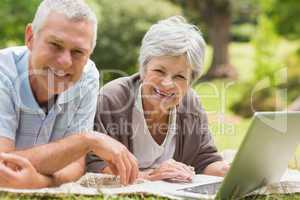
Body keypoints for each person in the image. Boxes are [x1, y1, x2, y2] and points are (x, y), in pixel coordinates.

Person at [0, 0, 138, 189]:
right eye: (55, 45)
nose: (65, 62)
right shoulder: (3, 73)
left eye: (78, 52)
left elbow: (75, 165)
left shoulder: (87, 77)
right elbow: (3, 167)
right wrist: (86, 141)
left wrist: (40, 182)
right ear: (30, 37)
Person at [87, 16, 229, 183]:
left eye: (180, 76)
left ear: (190, 82)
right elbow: (95, 164)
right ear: (144, 69)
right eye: (159, 71)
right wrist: (149, 177)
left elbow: (205, 160)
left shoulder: (191, 105)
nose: (167, 83)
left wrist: (228, 170)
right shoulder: (112, 99)